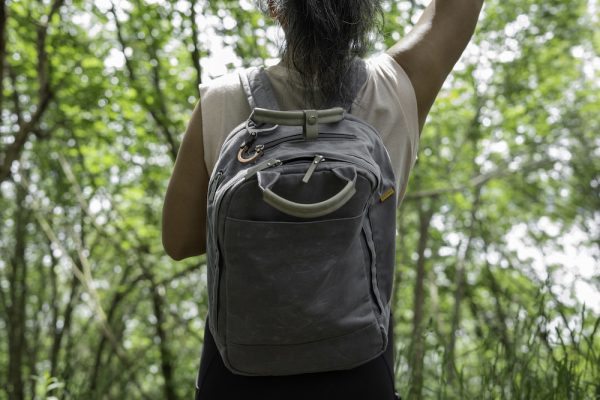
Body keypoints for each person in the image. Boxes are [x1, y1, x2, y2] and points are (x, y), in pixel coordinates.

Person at [162, 0, 484, 398]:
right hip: (358, 363)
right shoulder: (397, 86)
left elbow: (179, 241)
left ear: (274, 8)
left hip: (239, 367)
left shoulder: (222, 98)